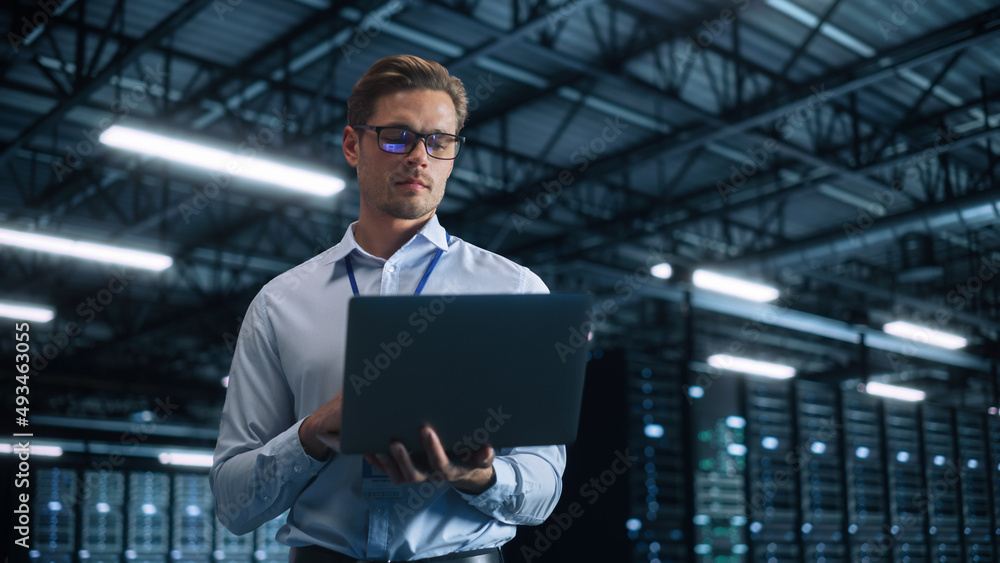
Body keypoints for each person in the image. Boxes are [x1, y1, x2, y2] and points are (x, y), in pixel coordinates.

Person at [210, 54, 565, 563]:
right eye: (397, 135)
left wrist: (479, 477)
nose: (420, 156)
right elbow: (231, 502)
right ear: (354, 145)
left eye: (439, 140)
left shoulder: (516, 292)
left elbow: (544, 487)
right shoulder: (279, 304)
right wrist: (309, 435)